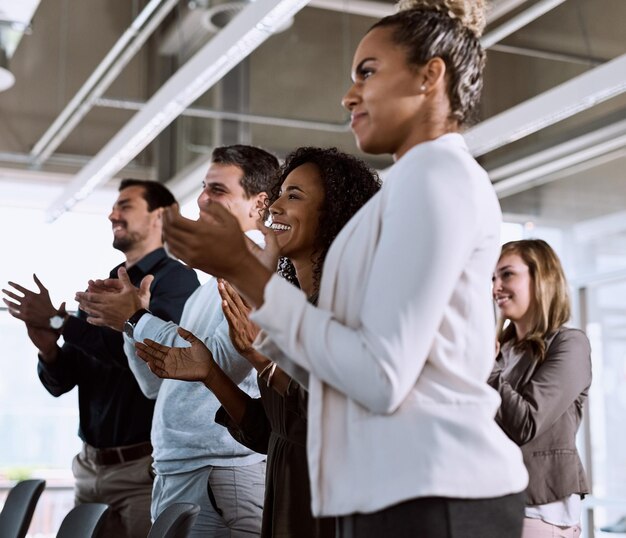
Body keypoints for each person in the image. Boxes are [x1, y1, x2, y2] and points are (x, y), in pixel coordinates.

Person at [158, 0, 530, 536]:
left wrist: (245, 269)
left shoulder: (437, 179)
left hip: (435, 492)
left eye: (368, 73)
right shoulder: (407, 187)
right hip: (396, 489)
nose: (348, 94)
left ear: (431, 76)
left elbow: (379, 379)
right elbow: (343, 373)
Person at [135, 147, 381, 538]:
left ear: (335, 213)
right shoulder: (295, 303)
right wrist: (211, 374)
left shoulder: (349, 306)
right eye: (279, 193)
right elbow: (269, 433)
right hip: (286, 496)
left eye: (294, 196)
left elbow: (330, 416)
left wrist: (264, 358)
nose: (275, 206)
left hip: (332, 506)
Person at [75, 145, 279, 537]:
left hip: (221, 473)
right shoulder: (208, 287)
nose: (202, 199)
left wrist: (137, 317)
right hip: (176, 470)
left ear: (259, 203)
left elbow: (219, 363)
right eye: (203, 188)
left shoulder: (259, 272)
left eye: (218, 190)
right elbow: (156, 384)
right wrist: (130, 325)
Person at [1, 179, 199, 538]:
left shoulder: (177, 282)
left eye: (125, 206)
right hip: (90, 469)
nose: (112, 214)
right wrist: (48, 345)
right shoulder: (106, 285)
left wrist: (59, 321)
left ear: (160, 217)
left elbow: (152, 359)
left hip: (140, 471)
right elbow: (64, 381)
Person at [489, 239, 591, 538]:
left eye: (507, 275)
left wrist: (486, 367)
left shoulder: (569, 344)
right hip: (493, 502)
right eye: (493, 278)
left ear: (542, 278)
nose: (496, 287)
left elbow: (527, 422)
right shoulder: (501, 350)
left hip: (539, 514)